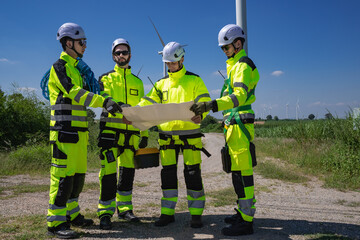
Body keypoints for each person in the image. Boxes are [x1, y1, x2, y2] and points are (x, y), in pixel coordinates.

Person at [47, 22, 122, 239]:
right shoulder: (59, 67)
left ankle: (72, 215)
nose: (85, 46)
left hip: (79, 134)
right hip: (63, 133)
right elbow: (75, 93)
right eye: (82, 42)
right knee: (61, 178)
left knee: (76, 178)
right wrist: (104, 101)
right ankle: (55, 223)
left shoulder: (77, 68)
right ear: (68, 43)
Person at [190, 24, 260, 236]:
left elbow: (238, 96)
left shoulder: (243, 66)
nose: (224, 52)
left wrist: (212, 105)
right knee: (236, 172)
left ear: (238, 44)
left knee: (243, 174)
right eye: (223, 49)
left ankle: (246, 221)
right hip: (233, 126)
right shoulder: (235, 65)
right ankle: (242, 212)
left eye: (226, 48)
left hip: (240, 127)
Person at [137, 42, 211, 228]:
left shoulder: (195, 80)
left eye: (173, 62)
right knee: (168, 175)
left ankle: (196, 215)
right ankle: (167, 213)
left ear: (182, 59)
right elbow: (148, 102)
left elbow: (204, 100)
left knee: (192, 174)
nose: (170, 66)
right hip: (167, 136)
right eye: (167, 63)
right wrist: (135, 112)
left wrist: (201, 113)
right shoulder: (160, 84)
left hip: (190, 136)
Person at [96, 38, 149, 230]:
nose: (121, 56)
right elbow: (101, 98)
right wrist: (119, 108)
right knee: (108, 174)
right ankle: (105, 212)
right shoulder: (104, 78)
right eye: (117, 53)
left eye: (124, 52)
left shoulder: (138, 82)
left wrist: (144, 134)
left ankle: (125, 209)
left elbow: (143, 109)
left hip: (131, 136)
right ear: (113, 56)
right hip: (110, 133)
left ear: (130, 55)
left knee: (127, 173)